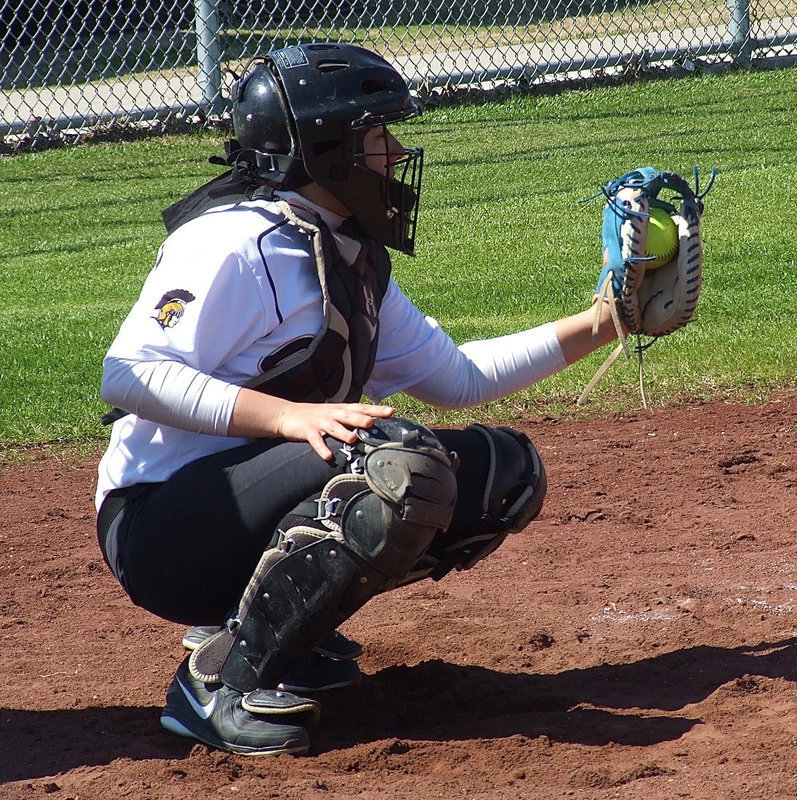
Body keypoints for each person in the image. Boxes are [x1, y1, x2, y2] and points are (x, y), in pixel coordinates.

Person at [95, 41, 625, 757]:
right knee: (398, 470)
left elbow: (458, 379)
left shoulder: (343, 249)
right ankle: (216, 685)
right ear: (328, 151)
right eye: (378, 135)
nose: (396, 151)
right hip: (160, 529)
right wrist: (288, 417)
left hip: (234, 512)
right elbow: (129, 374)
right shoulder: (233, 243)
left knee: (503, 474)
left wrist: (605, 322)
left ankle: (286, 635)